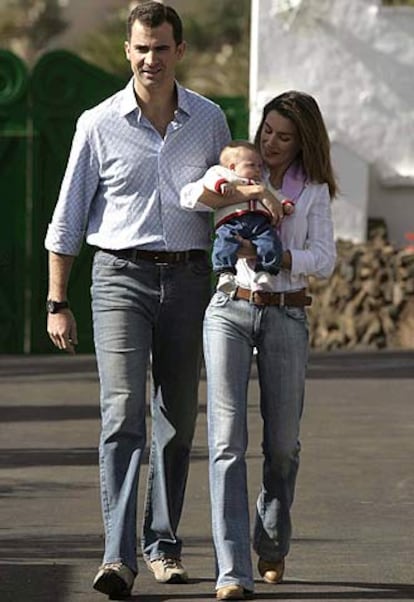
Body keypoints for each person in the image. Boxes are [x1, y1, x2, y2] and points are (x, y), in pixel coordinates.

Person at [44, 2, 235, 599]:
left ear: (180, 51)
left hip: (188, 280)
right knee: (122, 412)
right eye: (141, 48)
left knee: (177, 420)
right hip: (119, 277)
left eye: (161, 47)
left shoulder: (209, 121)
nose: (151, 59)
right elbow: (68, 219)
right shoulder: (97, 123)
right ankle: (117, 556)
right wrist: (57, 300)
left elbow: (227, 204)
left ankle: (163, 544)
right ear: (128, 51)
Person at [181, 90, 337, 600]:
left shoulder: (312, 190)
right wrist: (234, 188)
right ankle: (232, 571)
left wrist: (277, 254)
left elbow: (325, 258)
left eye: (283, 137)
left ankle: (270, 541)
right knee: (226, 442)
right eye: (267, 130)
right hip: (229, 307)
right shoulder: (234, 169)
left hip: (287, 311)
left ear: (302, 142)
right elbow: (188, 196)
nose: (270, 142)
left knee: (282, 446)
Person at [202, 140, 294, 294]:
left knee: (270, 240)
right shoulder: (225, 175)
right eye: (252, 165)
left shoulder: (262, 184)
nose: (258, 170)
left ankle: (266, 271)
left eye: (259, 166)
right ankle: (225, 273)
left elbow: (275, 195)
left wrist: (285, 203)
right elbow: (209, 178)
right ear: (232, 167)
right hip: (231, 221)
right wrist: (221, 184)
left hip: (259, 222)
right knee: (224, 241)